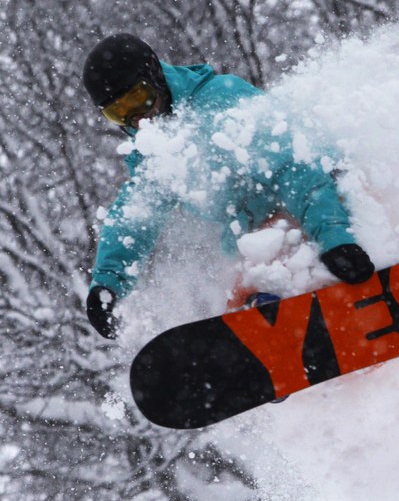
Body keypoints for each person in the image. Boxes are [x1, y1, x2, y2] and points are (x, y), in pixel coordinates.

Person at [82, 33, 374, 339]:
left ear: (155, 77)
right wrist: (107, 284)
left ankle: (376, 259)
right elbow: (135, 216)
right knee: (246, 283)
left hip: (329, 196)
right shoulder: (156, 151)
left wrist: (335, 238)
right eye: (119, 112)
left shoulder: (221, 101)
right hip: (267, 231)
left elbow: (294, 169)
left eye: (138, 99)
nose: (137, 119)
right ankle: (266, 332)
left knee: (269, 259)